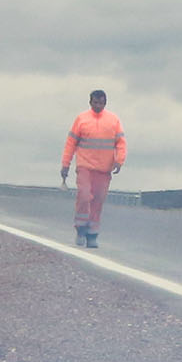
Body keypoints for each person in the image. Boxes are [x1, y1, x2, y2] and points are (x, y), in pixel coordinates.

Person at [60, 89, 126, 248]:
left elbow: (121, 143)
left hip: (104, 170)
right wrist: (65, 164)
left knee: (98, 200)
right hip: (85, 167)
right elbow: (71, 144)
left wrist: (119, 160)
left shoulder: (113, 120)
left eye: (101, 102)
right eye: (96, 102)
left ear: (105, 103)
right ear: (90, 103)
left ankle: (92, 234)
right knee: (84, 196)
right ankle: (80, 229)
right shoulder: (81, 119)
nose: (98, 105)